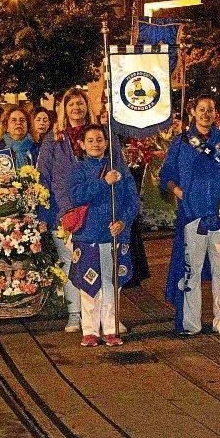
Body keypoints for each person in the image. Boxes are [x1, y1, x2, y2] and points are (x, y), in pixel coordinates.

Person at [39, 87, 125, 333]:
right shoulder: (54, 139)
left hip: (100, 210)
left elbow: (120, 170)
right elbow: (45, 176)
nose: (76, 108)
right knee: (72, 264)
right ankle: (75, 314)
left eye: (80, 103)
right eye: (71, 104)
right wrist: (47, 212)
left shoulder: (102, 136)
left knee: (107, 263)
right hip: (65, 211)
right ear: (63, 109)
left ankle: (110, 318)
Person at [159, 96, 220, 335]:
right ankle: (190, 323)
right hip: (192, 214)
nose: (206, 114)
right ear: (193, 112)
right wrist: (178, 191)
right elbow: (166, 175)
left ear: (216, 113)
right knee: (190, 272)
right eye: (201, 110)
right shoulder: (181, 142)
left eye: (210, 110)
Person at [69, 125, 138, 347]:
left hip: (113, 234)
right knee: (89, 283)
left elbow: (132, 200)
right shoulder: (78, 169)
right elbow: (76, 196)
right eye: (90, 140)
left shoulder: (120, 170)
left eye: (100, 139)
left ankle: (111, 327)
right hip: (88, 234)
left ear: (107, 143)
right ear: (82, 144)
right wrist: (103, 183)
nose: (96, 144)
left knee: (111, 282)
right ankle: (89, 329)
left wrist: (123, 222)